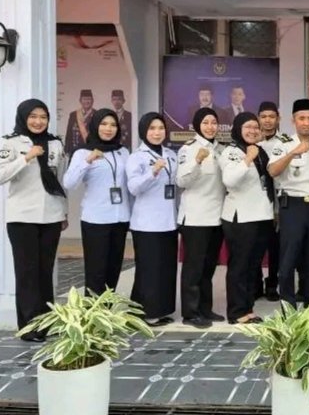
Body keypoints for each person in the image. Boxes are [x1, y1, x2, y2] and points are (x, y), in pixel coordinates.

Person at [0, 99, 68, 341]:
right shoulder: (11, 143)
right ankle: (29, 326)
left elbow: (60, 180)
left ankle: (46, 322)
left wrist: (64, 212)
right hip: (22, 217)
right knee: (27, 272)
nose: (38, 121)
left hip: (51, 215)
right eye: (33, 116)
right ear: (24, 118)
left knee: (45, 271)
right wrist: (25, 158)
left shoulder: (55, 143)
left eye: (43, 117)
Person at [269, 99, 309, 307]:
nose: (306, 122)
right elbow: (273, 171)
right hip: (293, 206)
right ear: (293, 120)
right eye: (302, 118)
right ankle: (288, 306)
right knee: (289, 258)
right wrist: (293, 153)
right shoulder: (283, 144)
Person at [63, 108, 131, 296]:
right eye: (104, 124)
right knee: (96, 270)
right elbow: (69, 183)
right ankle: (92, 311)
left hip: (120, 218)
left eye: (113, 125)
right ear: (95, 126)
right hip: (96, 219)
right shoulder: (82, 152)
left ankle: (107, 309)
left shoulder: (123, 152)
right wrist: (88, 160)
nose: (108, 129)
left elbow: (129, 184)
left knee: (114, 269)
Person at [220, 112, 274, 324]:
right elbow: (230, 180)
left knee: (253, 266)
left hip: (261, 215)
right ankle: (236, 311)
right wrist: (247, 159)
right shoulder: (231, 152)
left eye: (255, 127)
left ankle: (248, 308)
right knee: (239, 266)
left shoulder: (260, 151)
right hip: (240, 217)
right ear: (238, 129)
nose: (252, 131)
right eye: (248, 127)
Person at [126, 112, 179, 327]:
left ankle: (162, 309)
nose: (157, 133)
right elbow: (133, 188)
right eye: (152, 129)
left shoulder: (171, 154)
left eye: (160, 128)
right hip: (146, 223)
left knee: (166, 268)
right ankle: (145, 312)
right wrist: (153, 172)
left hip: (169, 221)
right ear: (143, 131)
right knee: (149, 269)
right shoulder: (136, 157)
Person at [176, 108, 226, 328]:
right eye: (205, 122)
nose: (210, 127)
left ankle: (205, 308)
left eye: (213, 122)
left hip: (217, 217)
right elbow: (181, 181)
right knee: (193, 267)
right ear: (197, 125)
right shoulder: (188, 149)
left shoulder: (221, 149)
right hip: (196, 218)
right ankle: (190, 313)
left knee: (209, 267)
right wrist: (196, 161)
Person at [257, 101, 282, 301]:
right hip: (254, 203)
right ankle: (255, 283)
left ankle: (272, 283)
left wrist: (277, 209)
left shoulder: (284, 143)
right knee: (255, 246)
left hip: (277, 202)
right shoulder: (250, 141)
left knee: (275, 247)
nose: (267, 120)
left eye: (271, 116)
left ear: (278, 119)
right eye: (264, 116)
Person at [64, 88, 95, 155]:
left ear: (92, 101)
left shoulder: (97, 114)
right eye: (84, 99)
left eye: (89, 99)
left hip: (91, 151)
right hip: (75, 150)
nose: (86, 101)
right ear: (80, 101)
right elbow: (69, 133)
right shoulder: (73, 115)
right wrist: (67, 150)